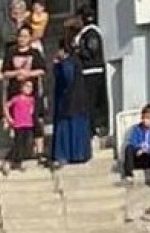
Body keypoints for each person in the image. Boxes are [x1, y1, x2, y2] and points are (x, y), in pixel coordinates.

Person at [1, 26, 47, 163]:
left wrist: (29, 73)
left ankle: (39, 151)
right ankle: (19, 151)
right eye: (20, 36)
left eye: (25, 36)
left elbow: (42, 70)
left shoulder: (35, 53)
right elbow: (4, 72)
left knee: (36, 120)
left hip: (32, 93)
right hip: (16, 92)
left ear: (30, 38)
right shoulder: (11, 52)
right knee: (18, 123)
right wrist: (17, 73)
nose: (22, 39)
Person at [50, 30, 93, 167]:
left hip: (68, 102)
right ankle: (80, 154)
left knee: (67, 129)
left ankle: (64, 155)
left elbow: (66, 79)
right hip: (79, 101)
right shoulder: (76, 60)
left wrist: (57, 65)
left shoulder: (67, 62)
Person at [72, 4, 107, 138]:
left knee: (90, 102)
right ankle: (90, 127)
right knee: (87, 103)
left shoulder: (91, 32)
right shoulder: (84, 32)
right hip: (86, 71)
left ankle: (92, 128)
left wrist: (78, 50)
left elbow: (92, 50)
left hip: (92, 71)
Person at [121, 104, 150, 189]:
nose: (144, 120)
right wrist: (138, 149)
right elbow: (133, 141)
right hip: (140, 157)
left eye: (147, 118)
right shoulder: (137, 128)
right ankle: (129, 176)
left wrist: (147, 149)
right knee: (128, 147)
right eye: (143, 118)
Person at [5, 79, 38, 171]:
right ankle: (15, 161)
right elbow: (6, 106)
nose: (29, 89)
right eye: (27, 86)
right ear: (21, 87)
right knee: (18, 142)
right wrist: (9, 118)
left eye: (31, 87)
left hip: (28, 124)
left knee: (26, 143)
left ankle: (20, 159)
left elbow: (31, 110)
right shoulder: (16, 98)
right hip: (18, 124)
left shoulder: (31, 99)